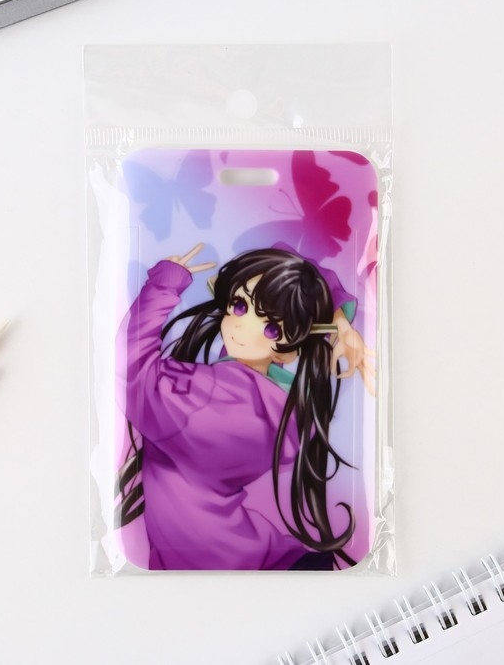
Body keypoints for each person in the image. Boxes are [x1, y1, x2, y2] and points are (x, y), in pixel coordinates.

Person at [116, 244, 374, 570]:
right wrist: (339, 319)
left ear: (285, 350)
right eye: (239, 306)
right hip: (261, 559)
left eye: (270, 328)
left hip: (207, 564)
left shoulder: (201, 401)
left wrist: (164, 284)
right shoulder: (283, 414)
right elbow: (291, 271)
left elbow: (130, 370)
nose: (241, 326)